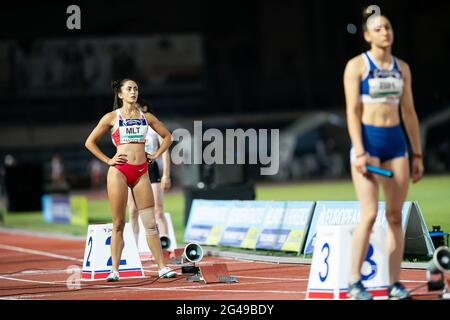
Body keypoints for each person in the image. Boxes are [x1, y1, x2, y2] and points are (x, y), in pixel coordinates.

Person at [343, 10, 424, 299]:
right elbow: (352, 112)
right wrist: (360, 150)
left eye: (388, 27)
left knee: (394, 216)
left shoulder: (402, 67)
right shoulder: (357, 67)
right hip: (369, 144)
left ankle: (394, 283)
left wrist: (417, 154)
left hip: (396, 145)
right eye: (377, 29)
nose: (384, 32)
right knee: (369, 214)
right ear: (367, 36)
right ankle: (354, 281)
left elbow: (409, 112)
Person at [85, 78, 176, 282]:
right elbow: (89, 142)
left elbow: (168, 137)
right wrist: (108, 160)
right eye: (129, 89)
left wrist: (155, 154)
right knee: (118, 223)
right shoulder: (111, 117)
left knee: (150, 223)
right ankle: (114, 270)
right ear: (120, 94)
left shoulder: (147, 117)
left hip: (141, 172)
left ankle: (162, 267)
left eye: (135, 88)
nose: (133, 92)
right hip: (119, 171)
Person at [127, 99, 172, 247]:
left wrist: (166, 174)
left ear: (144, 107)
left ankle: (166, 245)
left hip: (151, 169)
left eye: (137, 106)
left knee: (158, 211)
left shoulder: (154, 125)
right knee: (133, 211)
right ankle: (134, 248)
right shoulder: (129, 126)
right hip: (133, 169)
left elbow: (165, 151)